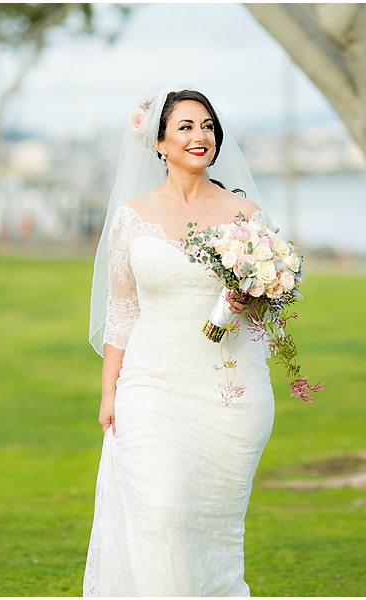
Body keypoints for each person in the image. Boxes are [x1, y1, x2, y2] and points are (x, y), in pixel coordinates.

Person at [84, 87, 276, 596]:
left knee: (212, 530)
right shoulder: (131, 217)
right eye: (186, 127)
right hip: (151, 387)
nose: (200, 136)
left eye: (208, 126)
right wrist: (110, 393)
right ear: (159, 142)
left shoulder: (246, 215)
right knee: (161, 512)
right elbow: (121, 310)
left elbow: (268, 307)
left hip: (229, 393)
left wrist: (250, 298)